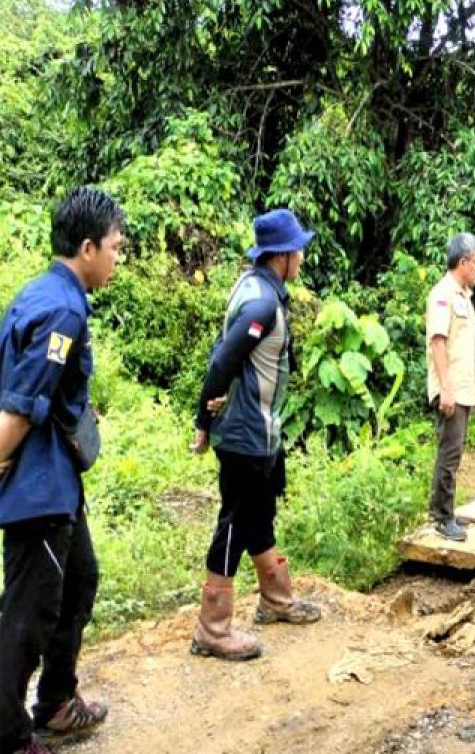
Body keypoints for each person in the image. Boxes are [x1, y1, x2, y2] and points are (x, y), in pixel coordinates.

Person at [0, 187, 125, 754]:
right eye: (116, 248)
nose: (118, 258)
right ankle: (8, 732)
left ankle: (55, 703)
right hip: (37, 487)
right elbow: (22, 403)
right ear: (87, 247)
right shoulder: (63, 309)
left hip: (58, 483)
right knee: (28, 615)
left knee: (79, 579)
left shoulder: (41, 293)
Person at [190, 209, 321, 662]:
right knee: (233, 524)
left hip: (262, 430)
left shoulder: (259, 289)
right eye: (298, 248)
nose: (302, 255)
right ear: (282, 256)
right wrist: (203, 422)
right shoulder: (261, 303)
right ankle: (213, 628)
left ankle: (276, 601)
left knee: (260, 512)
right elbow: (222, 361)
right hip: (245, 433)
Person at [426, 232, 475, 543]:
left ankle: (446, 509)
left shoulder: (464, 297)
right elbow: (438, 342)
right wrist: (446, 388)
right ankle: (441, 517)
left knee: (456, 451)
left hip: (463, 387)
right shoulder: (442, 294)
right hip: (450, 389)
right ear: (462, 262)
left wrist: (473, 383)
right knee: (449, 452)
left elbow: (466, 346)